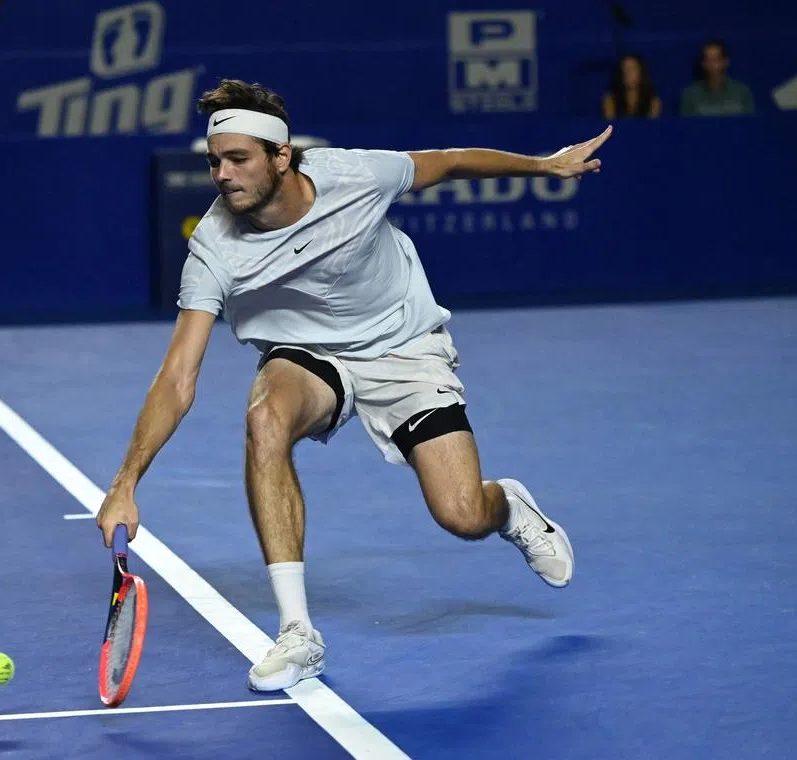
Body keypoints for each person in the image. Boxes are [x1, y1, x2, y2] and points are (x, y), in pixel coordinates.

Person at [97, 79, 611, 693]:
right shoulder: (212, 246)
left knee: (462, 514)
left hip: (402, 348)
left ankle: (508, 507)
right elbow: (178, 376)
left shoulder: (357, 176)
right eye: (215, 161)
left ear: (281, 156)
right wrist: (125, 483)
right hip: (307, 354)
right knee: (265, 419)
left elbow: (446, 163)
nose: (222, 174)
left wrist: (543, 165)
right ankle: (297, 633)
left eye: (239, 159)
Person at [679, 40, 755, 117]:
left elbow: (750, 124)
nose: (712, 64)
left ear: (726, 62)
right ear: (703, 64)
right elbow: (687, 127)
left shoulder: (742, 92)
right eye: (708, 60)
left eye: (716, 59)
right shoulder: (690, 95)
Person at [603, 53, 661, 119]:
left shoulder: (653, 101)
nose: (628, 74)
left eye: (633, 69)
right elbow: (610, 125)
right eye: (625, 69)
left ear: (641, 72)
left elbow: (653, 127)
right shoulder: (610, 100)